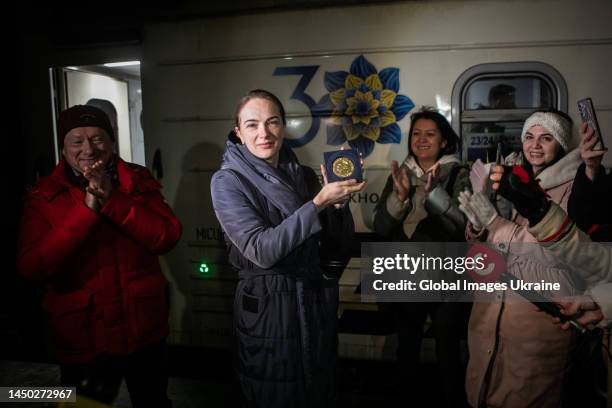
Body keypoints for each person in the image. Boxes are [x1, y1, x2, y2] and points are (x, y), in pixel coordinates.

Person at [17, 105, 182, 407]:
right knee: (84, 405)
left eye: (97, 139)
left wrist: (113, 200)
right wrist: (86, 210)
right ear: (63, 148)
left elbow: (166, 236)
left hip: (143, 330)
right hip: (83, 336)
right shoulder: (44, 195)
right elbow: (32, 266)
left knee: (153, 401)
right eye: (77, 141)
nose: (88, 149)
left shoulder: (137, 179)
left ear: (112, 141)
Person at [210, 89, 365, 407]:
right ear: (238, 132)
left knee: (316, 391)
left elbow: (335, 247)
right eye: (252, 125)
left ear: (284, 126)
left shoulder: (302, 175)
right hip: (269, 310)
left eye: (272, 122)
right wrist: (319, 202)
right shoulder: (228, 181)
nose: (263, 133)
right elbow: (261, 250)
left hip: (312, 302)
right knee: (275, 393)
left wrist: (338, 206)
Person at [460, 109, 583, 407]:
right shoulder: (511, 178)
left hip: (537, 323)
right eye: (529, 137)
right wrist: (476, 226)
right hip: (489, 315)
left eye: (546, 138)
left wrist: (494, 225)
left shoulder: (576, 189)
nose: (535, 146)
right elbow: (483, 253)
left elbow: (551, 255)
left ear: (562, 144)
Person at [372, 107, 470, 407]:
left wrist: (435, 195)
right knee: (407, 346)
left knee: (448, 347)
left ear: (444, 142)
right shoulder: (400, 174)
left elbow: (463, 228)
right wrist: (399, 198)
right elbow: (381, 227)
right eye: (416, 134)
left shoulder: (459, 173)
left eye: (430, 134)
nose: (422, 140)